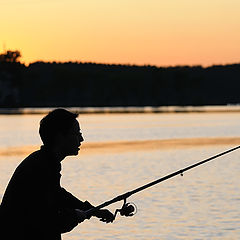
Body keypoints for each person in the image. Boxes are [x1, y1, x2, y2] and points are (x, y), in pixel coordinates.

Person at [0, 108, 114, 240]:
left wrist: (92, 211)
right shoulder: (41, 167)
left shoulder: (45, 161)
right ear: (60, 137)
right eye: (76, 133)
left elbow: (59, 195)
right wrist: (74, 217)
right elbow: (47, 218)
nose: (81, 139)